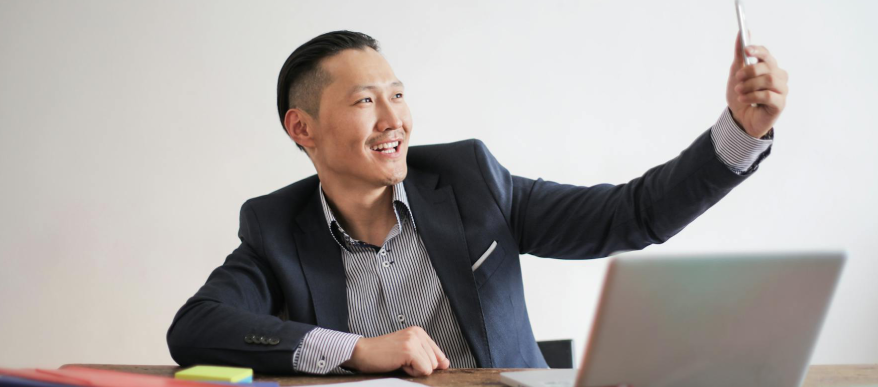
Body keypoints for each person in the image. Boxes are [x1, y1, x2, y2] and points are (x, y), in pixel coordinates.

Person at [166, 30, 788, 376]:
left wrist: (741, 129)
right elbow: (195, 327)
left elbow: (630, 214)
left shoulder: (469, 181)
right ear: (302, 129)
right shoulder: (276, 227)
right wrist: (356, 349)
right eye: (364, 102)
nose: (394, 120)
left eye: (398, 95)